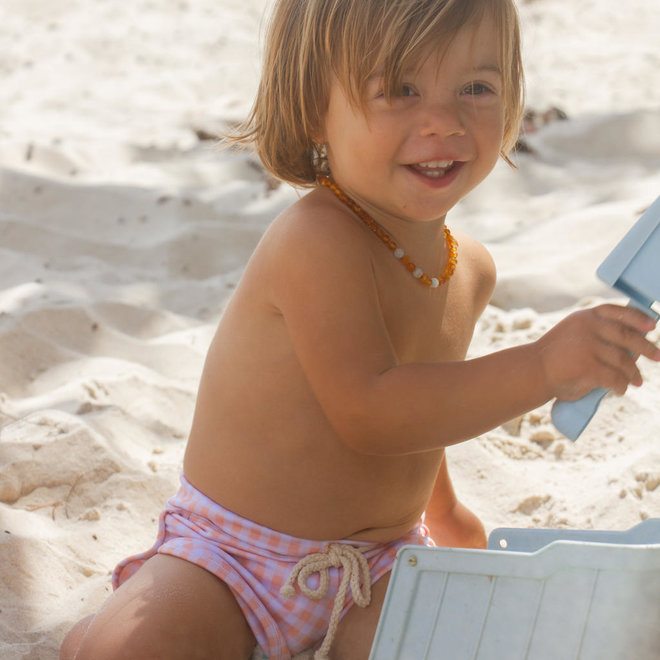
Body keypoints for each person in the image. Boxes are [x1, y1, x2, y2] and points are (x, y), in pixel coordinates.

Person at [60, 0, 660, 658]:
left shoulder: (470, 269)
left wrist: (444, 514)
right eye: (400, 89)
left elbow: (423, 404)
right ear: (316, 106)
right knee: (138, 649)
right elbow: (372, 409)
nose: (444, 121)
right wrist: (542, 368)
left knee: (458, 641)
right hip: (236, 559)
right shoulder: (317, 239)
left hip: (376, 563)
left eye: (476, 88)